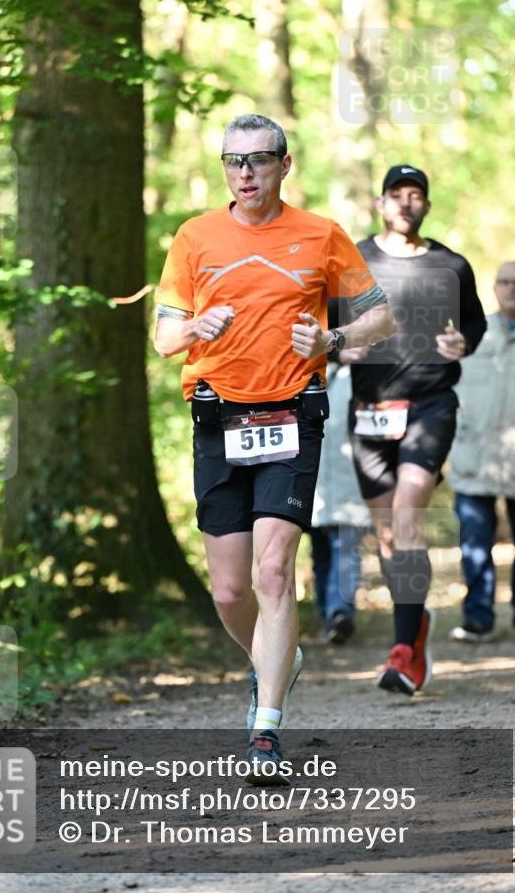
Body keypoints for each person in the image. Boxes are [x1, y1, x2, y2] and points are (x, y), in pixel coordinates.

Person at [154, 114, 396, 782]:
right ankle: (277, 659)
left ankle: (265, 728)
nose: (245, 173)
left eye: (259, 159)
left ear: (284, 165)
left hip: (293, 413)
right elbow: (164, 339)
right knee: (231, 590)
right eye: (233, 161)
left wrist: (332, 341)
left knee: (271, 573)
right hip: (217, 417)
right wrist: (196, 327)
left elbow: (381, 316)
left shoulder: (320, 234)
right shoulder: (195, 236)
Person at [340, 164, 486, 696]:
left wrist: (463, 343)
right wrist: (341, 347)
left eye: (416, 195)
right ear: (381, 204)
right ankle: (414, 622)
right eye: (396, 194)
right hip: (370, 410)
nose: (406, 202)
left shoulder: (451, 265)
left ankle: (404, 652)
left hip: (430, 404)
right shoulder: (353, 260)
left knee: (407, 516)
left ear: (426, 205)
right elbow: (328, 325)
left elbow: (475, 322)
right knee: (387, 533)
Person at [448, 261, 515, 644]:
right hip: (474, 456)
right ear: (495, 289)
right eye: (505, 282)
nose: (511, 288)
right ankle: (478, 620)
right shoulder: (473, 335)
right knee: (474, 545)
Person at [309, 353, 371, 644]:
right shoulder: (307, 374)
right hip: (313, 485)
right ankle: (327, 614)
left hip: (351, 483)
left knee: (346, 548)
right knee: (320, 554)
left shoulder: (364, 378)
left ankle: (340, 612)